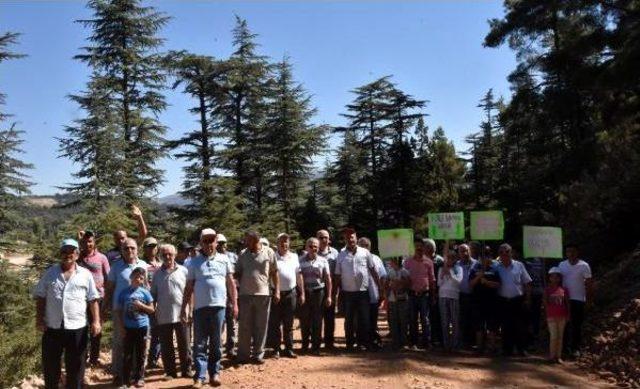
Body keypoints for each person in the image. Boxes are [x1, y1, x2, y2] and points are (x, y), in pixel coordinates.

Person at [34, 239, 101, 389]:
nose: (67, 255)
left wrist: (96, 321)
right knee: (51, 367)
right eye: (64, 251)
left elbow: (93, 299)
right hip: (52, 327)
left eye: (71, 251)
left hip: (77, 327)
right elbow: (40, 296)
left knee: (76, 367)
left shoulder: (85, 274)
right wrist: (39, 319)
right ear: (60, 254)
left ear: (77, 254)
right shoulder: (50, 273)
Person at [181, 229, 237, 388]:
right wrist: (184, 307)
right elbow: (189, 287)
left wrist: (235, 303)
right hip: (200, 308)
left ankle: (215, 373)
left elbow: (231, 283)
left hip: (219, 306)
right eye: (205, 240)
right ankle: (199, 376)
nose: (208, 243)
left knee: (216, 342)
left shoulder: (224, 259)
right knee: (199, 343)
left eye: (211, 240)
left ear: (216, 242)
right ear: (200, 243)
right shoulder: (193, 262)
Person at [104, 238, 149, 386]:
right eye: (126, 248)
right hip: (120, 311)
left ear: (137, 249)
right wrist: (105, 306)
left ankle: (137, 375)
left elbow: (147, 287)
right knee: (119, 343)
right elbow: (109, 288)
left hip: (140, 311)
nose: (129, 251)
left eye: (132, 248)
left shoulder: (143, 265)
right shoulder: (116, 267)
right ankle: (118, 374)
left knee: (140, 344)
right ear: (121, 250)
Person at [235, 231, 279, 364]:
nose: (246, 243)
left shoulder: (269, 252)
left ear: (256, 241)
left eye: (248, 241)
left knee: (261, 326)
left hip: (263, 294)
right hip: (245, 295)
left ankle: (258, 355)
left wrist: (277, 291)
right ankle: (243, 355)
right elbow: (237, 273)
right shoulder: (242, 254)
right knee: (244, 326)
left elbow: (274, 273)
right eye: (245, 241)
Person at [335, 228, 379, 352]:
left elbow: (373, 270)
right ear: (345, 239)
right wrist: (335, 293)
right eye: (347, 237)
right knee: (348, 320)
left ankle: (363, 343)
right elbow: (338, 275)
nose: (350, 239)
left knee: (364, 319)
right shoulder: (341, 255)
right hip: (347, 293)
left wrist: (379, 287)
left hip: (363, 292)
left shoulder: (365, 252)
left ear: (356, 238)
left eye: (352, 237)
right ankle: (349, 344)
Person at [151, 244, 191, 380]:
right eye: (164, 254)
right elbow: (153, 296)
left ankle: (186, 370)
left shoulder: (184, 271)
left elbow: (190, 292)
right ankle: (170, 372)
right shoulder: (156, 274)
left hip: (182, 313)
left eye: (170, 254)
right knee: (166, 345)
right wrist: (153, 313)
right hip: (163, 314)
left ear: (175, 255)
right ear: (160, 256)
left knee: (184, 343)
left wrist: (190, 310)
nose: (167, 257)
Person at [268, 233, 305, 358]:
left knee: (289, 323)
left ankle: (289, 349)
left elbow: (299, 276)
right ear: (277, 243)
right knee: (275, 323)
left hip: (291, 293)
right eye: (281, 241)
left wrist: (302, 293)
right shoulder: (272, 256)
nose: (284, 244)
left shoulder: (294, 256)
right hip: (276, 293)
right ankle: (276, 349)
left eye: (286, 241)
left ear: (289, 243)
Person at [118, 267, 155, 388]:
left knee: (141, 353)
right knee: (127, 354)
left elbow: (152, 309)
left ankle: (139, 378)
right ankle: (125, 380)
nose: (138, 279)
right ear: (131, 277)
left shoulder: (145, 292)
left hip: (142, 327)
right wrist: (122, 326)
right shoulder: (124, 293)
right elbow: (119, 310)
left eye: (141, 278)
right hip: (128, 327)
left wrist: (141, 305)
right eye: (136, 277)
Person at [77, 230, 110, 366]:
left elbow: (108, 278)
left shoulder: (102, 258)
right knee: (81, 329)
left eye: (90, 241)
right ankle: (82, 358)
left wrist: (107, 299)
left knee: (96, 328)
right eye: (84, 241)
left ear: (94, 242)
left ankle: (94, 359)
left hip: (98, 298)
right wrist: (78, 241)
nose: (87, 244)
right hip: (80, 299)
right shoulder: (78, 257)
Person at [495, 243, 532, 357]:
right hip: (503, 301)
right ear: (499, 254)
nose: (504, 254)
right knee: (505, 326)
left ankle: (521, 349)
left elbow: (527, 283)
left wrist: (528, 299)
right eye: (501, 252)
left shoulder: (519, 265)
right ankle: (507, 349)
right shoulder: (496, 267)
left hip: (518, 300)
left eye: (507, 252)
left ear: (511, 253)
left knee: (520, 326)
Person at [558, 244, 593, 358]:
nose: (571, 254)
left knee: (577, 325)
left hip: (579, 299)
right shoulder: (562, 265)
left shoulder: (584, 265)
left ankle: (575, 348)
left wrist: (588, 300)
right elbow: (557, 281)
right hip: (564, 299)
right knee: (564, 325)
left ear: (577, 252)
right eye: (568, 251)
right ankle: (564, 349)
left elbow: (588, 284)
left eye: (573, 251)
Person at [299, 237, 332, 354]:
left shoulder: (323, 261)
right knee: (305, 320)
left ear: (318, 248)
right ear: (306, 247)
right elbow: (299, 278)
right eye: (311, 246)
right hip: (305, 293)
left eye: (316, 247)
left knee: (317, 320)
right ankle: (304, 346)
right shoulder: (300, 260)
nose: (313, 248)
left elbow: (328, 279)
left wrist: (329, 296)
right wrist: (301, 293)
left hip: (319, 292)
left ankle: (316, 347)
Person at [404, 237, 436, 350]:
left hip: (425, 295)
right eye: (416, 246)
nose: (418, 248)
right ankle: (413, 343)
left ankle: (427, 343)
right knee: (412, 319)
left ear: (424, 247)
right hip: (412, 294)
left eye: (420, 246)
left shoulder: (429, 262)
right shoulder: (407, 262)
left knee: (425, 320)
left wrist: (433, 296)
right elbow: (404, 278)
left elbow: (432, 281)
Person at [469, 249, 501, 354]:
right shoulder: (474, 269)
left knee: (492, 326)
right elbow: (470, 284)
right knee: (479, 325)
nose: (485, 259)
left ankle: (492, 347)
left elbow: (498, 284)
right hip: (478, 302)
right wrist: (479, 276)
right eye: (482, 257)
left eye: (487, 256)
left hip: (492, 302)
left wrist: (486, 282)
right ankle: (479, 347)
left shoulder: (495, 269)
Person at [357, 237, 386, 348]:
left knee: (373, 318)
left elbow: (383, 276)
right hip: (359, 293)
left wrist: (381, 291)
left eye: (366, 245)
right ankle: (361, 342)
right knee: (361, 319)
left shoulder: (376, 259)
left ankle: (372, 341)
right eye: (362, 245)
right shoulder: (355, 258)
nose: (364, 248)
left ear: (370, 247)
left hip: (374, 293)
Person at [317, 229, 340, 350]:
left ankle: (329, 342)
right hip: (317, 288)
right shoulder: (313, 251)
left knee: (330, 316)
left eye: (326, 237)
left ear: (329, 239)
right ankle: (316, 341)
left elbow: (337, 273)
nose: (324, 240)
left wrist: (335, 290)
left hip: (331, 287)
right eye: (321, 238)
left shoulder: (335, 253)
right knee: (317, 316)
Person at [217, 233, 239, 358]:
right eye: (219, 243)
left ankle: (231, 348)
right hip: (219, 296)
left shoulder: (233, 257)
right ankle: (218, 349)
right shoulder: (214, 258)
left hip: (231, 295)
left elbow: (238, 274)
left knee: (232, 323)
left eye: (223, 243)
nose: (222, 246)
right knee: (220, 324)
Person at [438, 247, 463, 351]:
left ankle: (455, 344)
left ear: (455, 259)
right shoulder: (440, 269)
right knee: (445, 321)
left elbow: (458, 282)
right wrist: (443, 274)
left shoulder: (459, 269)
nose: (450, 259)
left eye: (453, 257)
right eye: (448, 257)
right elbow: (439, 283)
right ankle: (446, 344)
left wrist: (450, 273)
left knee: (455, 321)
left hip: (454, 297)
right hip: (443, 296)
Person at [142, 237, 162, 369]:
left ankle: (154, 359)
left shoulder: (161, 265)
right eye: (149, 246)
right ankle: (141, 360)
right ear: (144, 248)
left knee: (158, 332)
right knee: (145, 333)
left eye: (154, 246)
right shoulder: (142, 264)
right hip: (146, 303)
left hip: (161, 302)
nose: (152, 248)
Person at [544, 267, 570, 364]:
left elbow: (567, 303)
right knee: (553, 336)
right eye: (552, 277)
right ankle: (552, 356)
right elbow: (545, 303)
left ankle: (558, 356)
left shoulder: (564, 289)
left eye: (557, 277)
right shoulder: (547, 290)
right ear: (549, 278)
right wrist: (547, 315)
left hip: (562, 316)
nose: (554, 279)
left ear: (560, 278)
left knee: (560, 336)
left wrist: (568, 315)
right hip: (551, 316)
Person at [385, 256, 410, 350]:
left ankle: (403, 341)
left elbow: (408, 284)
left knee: (403, 320)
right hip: (392, 299)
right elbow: (386, 285)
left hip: (403, 299)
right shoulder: (390, 272)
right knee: (393, 320)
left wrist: (401, 283)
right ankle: (395, 341)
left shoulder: (404, 271)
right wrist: (387, 293)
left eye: (395, 260)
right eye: (392, 260)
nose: (393, 262)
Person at [456, 243, 477, 348]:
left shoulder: (477, 264)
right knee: (462, 319)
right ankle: (463, 342)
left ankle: (473, 342)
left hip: (474, 296)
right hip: (461, 296)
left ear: (470, 251)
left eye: (466, 250)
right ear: (459, 253)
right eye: (462, 251)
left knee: (473, 319)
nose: (465, 253)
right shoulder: (456, 265)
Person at [524, 256, 546, 347]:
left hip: (538, 293)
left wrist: (545, 293)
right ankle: (527, 340)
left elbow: (543, 277)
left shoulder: (541, 261)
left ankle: (535, 339)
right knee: (527, 317)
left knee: (536, 317)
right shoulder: (524, 261)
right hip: (526, 293)